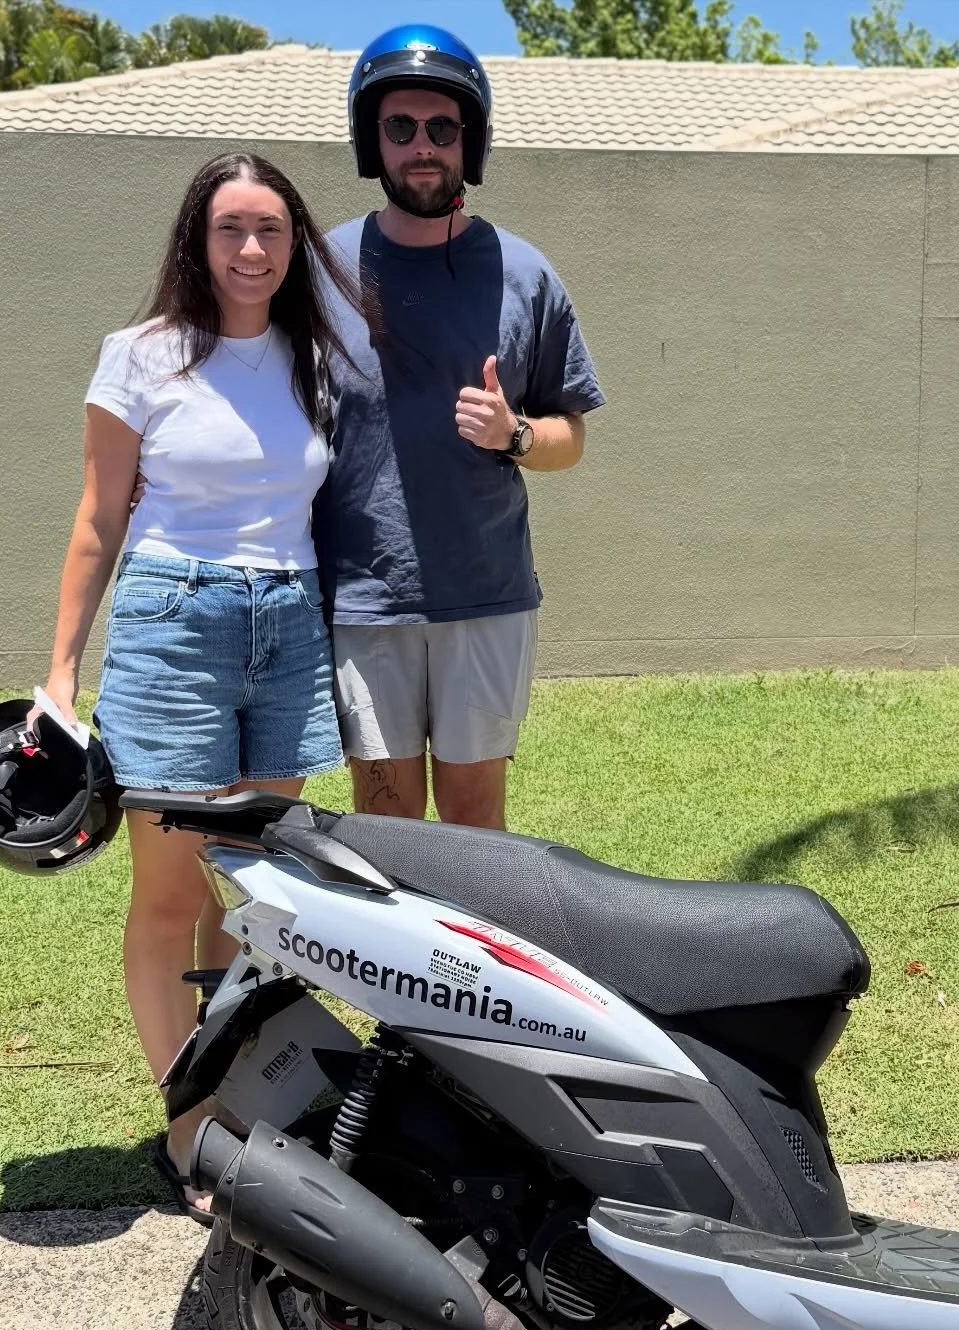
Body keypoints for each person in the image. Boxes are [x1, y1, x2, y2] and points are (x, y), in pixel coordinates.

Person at [38, 152, 358, 1220]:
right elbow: (99, 518)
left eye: (271, 229)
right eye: (231, 228)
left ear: (294, 243)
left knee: (249, 891)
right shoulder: (142, 355)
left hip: (288, 627)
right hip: (175, 624)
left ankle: (237, 1099)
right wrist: (60, 671)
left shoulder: (314, 356)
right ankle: (190, 1129)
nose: (252, 249)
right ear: (197, 238)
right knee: (173, 894)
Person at [318, 23, 606, 831]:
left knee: (476, 825)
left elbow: (571, 436)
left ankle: (473, 931)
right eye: (400, 126)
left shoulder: (525, 274)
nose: (422, 146)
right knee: (386, 827)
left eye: (442, 129)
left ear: (469, 142)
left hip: (484, 593)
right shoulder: (321, 268)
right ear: (371, 139)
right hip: (365, 598)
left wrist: (514, 434)